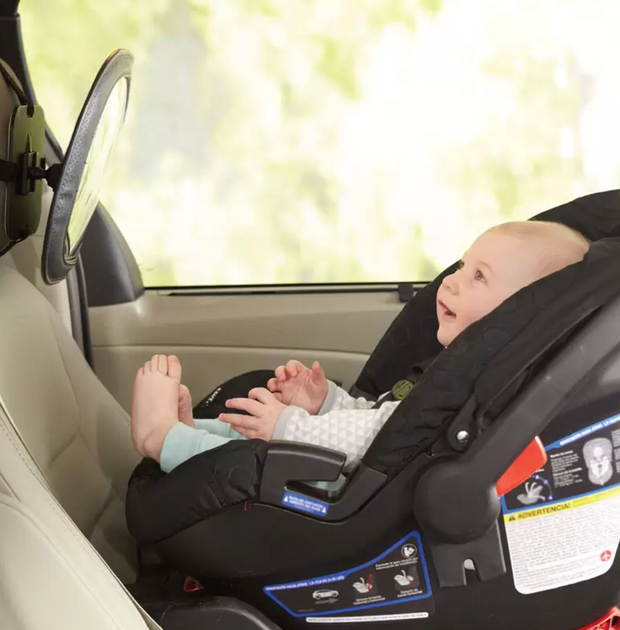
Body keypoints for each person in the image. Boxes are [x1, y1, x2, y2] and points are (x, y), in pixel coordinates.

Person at [130, 221, 590, 473]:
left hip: (342, 501)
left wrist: (289, 426)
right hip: (359, 467)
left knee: (258, 453)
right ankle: (189, 432)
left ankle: (161, 439)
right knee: (253, 432)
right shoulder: (457, 368)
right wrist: (323, 402)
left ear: (518, 316)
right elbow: (383, 421)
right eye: (464, 264)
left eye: (479, 276)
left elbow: (372, 442)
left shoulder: (477, 393)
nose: (450, 280)